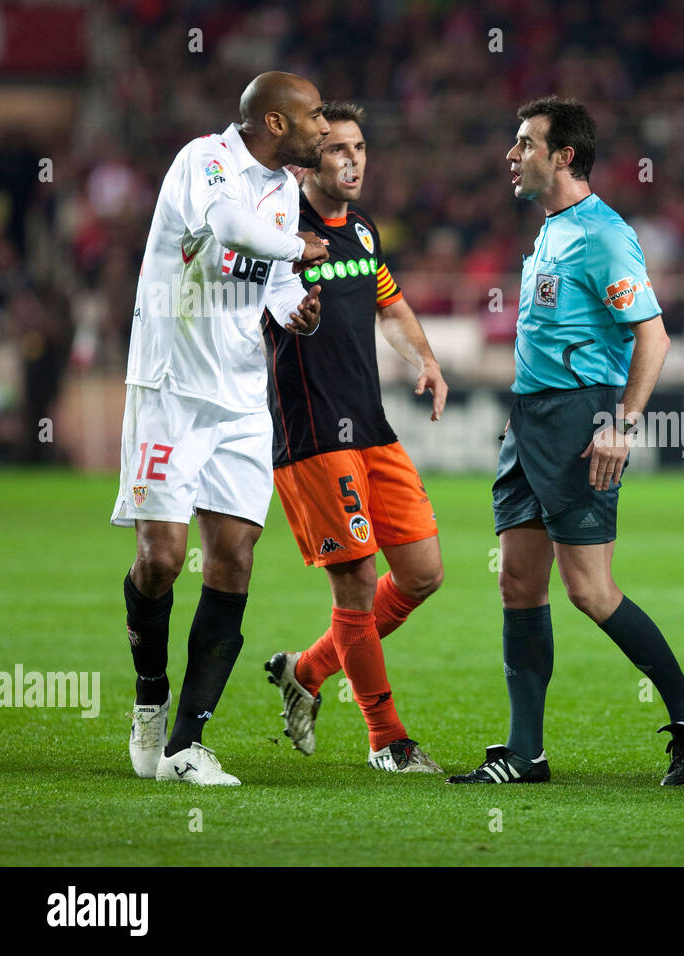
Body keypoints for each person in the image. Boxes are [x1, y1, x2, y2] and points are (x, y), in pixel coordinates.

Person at [448, 96, 684, 786]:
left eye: (524, 143)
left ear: (562, 155)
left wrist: (620, 424)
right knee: (517, 582)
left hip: (581, 421)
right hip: (531, 420)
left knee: (590, 591)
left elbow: (653, 335)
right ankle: (524, 753)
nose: (511, 155)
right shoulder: (549, 230)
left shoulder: (603, 235)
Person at [114, 72, 331, 786]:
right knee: (164, 560)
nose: (324, 127)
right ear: (273, 122)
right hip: (172, 386)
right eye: (314, 116)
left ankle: (186, 743)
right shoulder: (204, 161)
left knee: (233, 558)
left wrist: (294, 303)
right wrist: (297, 248)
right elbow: (236, 231)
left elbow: (270, 280)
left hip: (240, 396)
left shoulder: (286, 186)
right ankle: (151, 697)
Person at [261, 102, 450, 773]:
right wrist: (288, 314)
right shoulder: (277, 230)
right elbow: (249, 304)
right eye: (337, 149)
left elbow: (389, 303)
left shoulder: (363, 231)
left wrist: (424, 360)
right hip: (311, 429)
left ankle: (306, 670)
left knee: (423, 573)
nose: (352, 161)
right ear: (305, 159)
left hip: (369, 425)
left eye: (360, 148)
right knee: (357, 583)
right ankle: (386, 740)